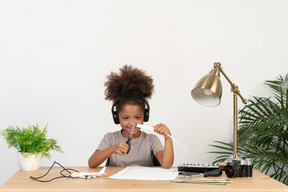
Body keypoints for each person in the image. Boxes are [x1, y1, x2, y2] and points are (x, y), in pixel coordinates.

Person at [88, 65, 174, 169]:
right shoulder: (110, 138)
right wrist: (111, 149)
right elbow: (91, 164)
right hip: (117, 184)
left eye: (137, 117)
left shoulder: (151, 140)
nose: (132, 123)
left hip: (143, 184)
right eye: (125, 118)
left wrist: (168, 137)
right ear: (116, 117)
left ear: (145, 116)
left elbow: (167, 164)